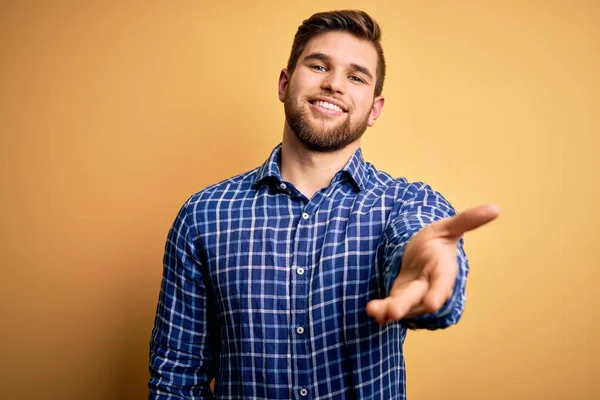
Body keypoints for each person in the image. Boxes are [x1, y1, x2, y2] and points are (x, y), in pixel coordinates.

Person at [148, 9, 499, 399]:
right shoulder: (203, 216)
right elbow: (176, 379)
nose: (334, 84)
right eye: (318, 66)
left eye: (355, 76)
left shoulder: (406, 203)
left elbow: (419, 238)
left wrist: (425, 272)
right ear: (284, 82)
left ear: (374, 109)